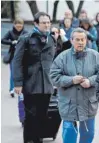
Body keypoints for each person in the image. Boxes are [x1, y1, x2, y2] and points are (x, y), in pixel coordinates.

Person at [50, 28, 99, 143]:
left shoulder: (95, 56)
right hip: (68, 104)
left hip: (88, 104)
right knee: (69, 135)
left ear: (86, 40)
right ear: (71, 40)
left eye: (83, 39)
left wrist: (90, 81)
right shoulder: (62, 57)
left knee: (88, 134)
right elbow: (54, 77)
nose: (80, 42)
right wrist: (71, 80)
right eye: (77, 39)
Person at [13, 12, 56, 143]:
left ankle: (38, 140)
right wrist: (18, 83)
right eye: (43, 22)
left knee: (42, 117)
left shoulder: (52, 39)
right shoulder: (26, 38)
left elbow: (55, 60)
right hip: (30, 82)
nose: (47, 25)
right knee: (31, 116)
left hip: (47, 84)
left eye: (48, 22)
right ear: (36, 24)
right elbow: (17, 61)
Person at [1, 18, 28, 97]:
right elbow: (3, 40)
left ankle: (22, 89)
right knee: (13, 72)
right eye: (17, 25)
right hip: (13, 55)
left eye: (20, 25)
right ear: (14, 25)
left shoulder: (26, 33)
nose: (19, 27)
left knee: (23, 73)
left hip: (24, 55)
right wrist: (12, 42)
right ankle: (12, 89)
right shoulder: (10, 32)